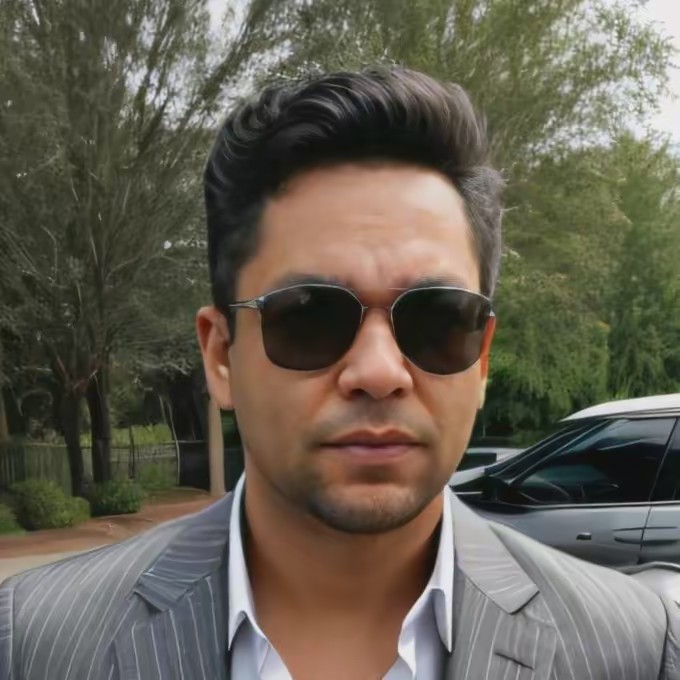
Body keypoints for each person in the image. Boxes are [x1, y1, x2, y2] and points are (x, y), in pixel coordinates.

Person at [1, 66, 679, 680]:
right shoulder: (34, 643)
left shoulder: (637, 650)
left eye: (437, 319)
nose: (379, 371)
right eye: (309, 316)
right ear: (220, 356)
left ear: (482, 359)